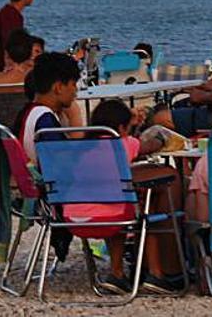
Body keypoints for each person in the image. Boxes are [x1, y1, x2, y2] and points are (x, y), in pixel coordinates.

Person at [69, 100, 184, 295]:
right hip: (112, 218)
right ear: (121, 128)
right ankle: (156, 274)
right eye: (128, 128)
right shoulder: (121, 143)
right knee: (146, 207)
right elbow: (149, 146)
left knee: (113, 205)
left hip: (74, 218)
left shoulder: (81, 149)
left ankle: (117, 273)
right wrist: (161, 137)